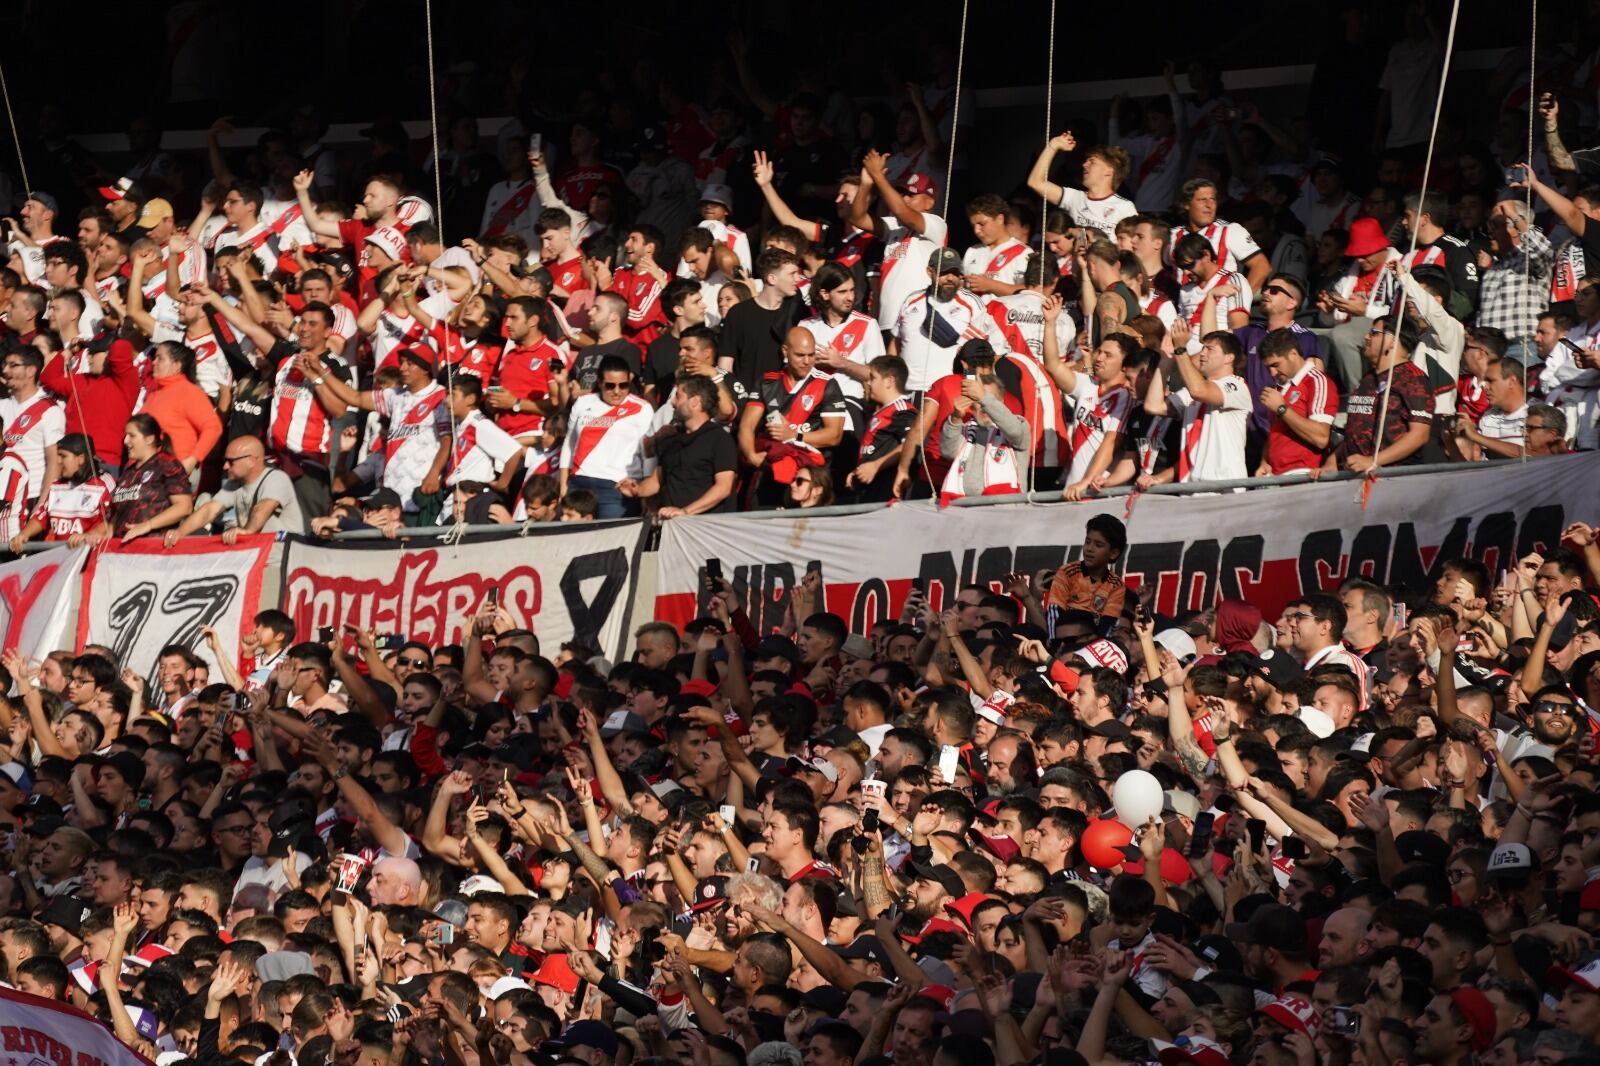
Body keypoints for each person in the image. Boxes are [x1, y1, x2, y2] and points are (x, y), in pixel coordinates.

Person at [619, 375, 736, 517]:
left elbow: (723, 487)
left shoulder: (720, 440)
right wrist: (637, 490)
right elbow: (657, 480)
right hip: (672, 526)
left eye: (678, 397)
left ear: (695, 402)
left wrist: (685, 511)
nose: (673, 403)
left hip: (706, 528)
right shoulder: (670, 439)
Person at [161, 435, 306, 543]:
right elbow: (209, 510)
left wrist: (246, 532)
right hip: (258, 555)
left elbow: (263, 508)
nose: (225, 467)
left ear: (251, 461)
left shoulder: (277, 478)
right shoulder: (234, 484)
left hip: (282, 558)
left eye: (231, 462)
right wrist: (179, 533)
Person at [561, 357, 652, 518]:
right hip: (579, 483)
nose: (617, 391)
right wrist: (563, 485)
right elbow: (569, 443)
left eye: (623, 385)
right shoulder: (582, 403)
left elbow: (649, 455)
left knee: (611, 540)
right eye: (610, 386)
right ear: (600, 382)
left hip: (617, 488)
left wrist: (644, 492)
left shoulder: (642, 409)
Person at [90, 414, 193, 543]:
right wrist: (101, 532)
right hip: (121, 550)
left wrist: (147, 525)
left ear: (149, 439)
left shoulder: (167, 464)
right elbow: (118, 512)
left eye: (132, 436)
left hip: (153, 548)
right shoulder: (128, 471)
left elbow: (184, 507)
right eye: (126, 435)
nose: (126, 441)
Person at [1256, 328, 1338, 475]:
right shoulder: (1280, 388)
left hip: (1304, 476)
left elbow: (1321, 438)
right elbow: (1277, 432)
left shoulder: (1317, 381)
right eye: (1268, 367)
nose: (1272, 373)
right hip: (1275, 477)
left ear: (1293, 354)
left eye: (1276, 365)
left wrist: (1282, 409)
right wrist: (1265, 461)